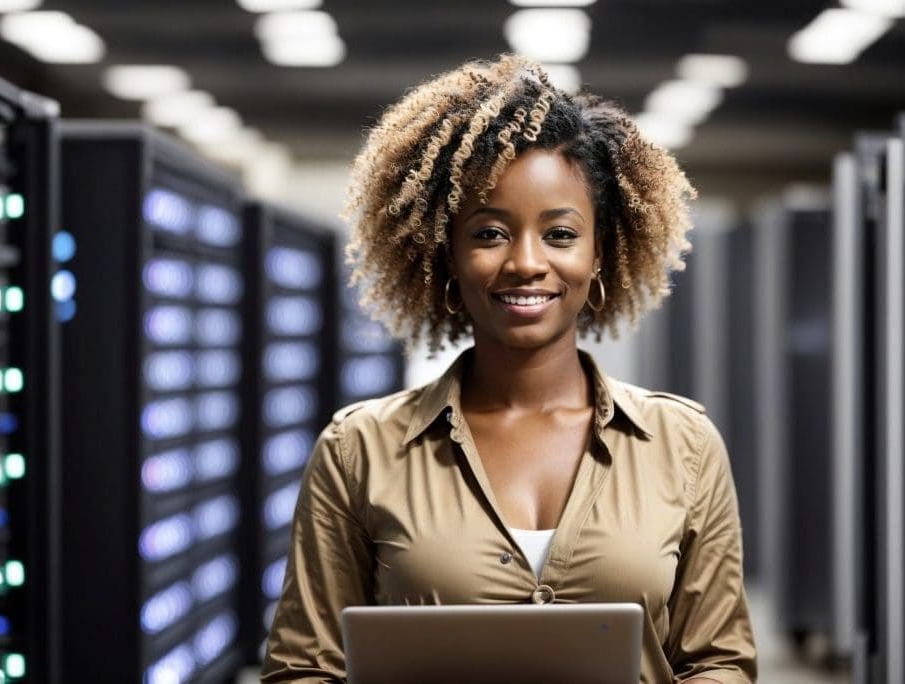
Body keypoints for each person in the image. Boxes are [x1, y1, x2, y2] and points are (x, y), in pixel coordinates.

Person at [262, 54, 757, 683]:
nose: (526, 262)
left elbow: (720, 662)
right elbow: (302, 669)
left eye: (559, 234)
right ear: (447, 256)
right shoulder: (359, 450)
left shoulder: (682, 445)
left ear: (599, 252)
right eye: (490, 233)